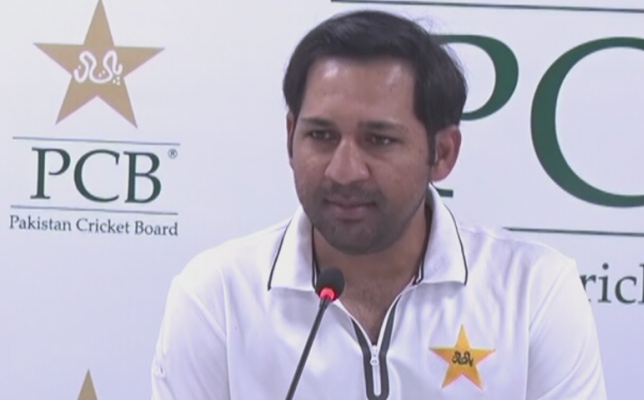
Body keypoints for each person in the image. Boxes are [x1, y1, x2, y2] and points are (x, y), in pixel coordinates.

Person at [150, 9, 607, 400]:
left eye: (379, 140)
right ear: (290, 138)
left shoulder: (535, 292)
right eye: (321, 135)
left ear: (443, 153)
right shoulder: (217, 296)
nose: (344, 171)